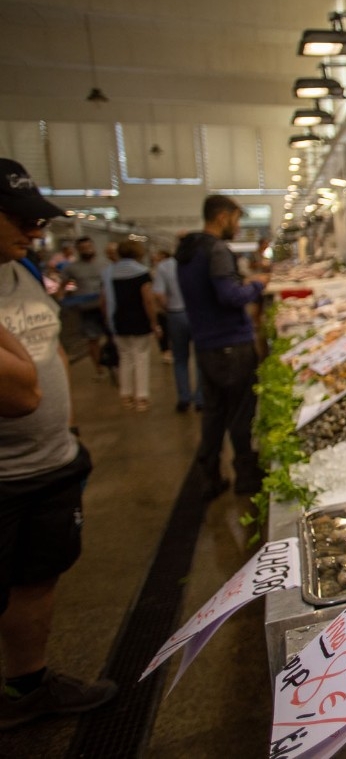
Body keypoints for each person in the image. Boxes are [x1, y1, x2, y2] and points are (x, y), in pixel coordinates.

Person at [0, 158, 117, 729]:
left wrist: (67, 428)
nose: (35, 229)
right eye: (20, 218)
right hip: (3, 473)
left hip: (50, 463)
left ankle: (29, 682)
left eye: (38, 218)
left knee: (38, 576)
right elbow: (20, 393)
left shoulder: (23, 269)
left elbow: (44, 356)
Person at [176, 195, 269, 500]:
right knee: (242, 412)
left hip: (205, 346)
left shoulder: (188, 251)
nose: (238, 226)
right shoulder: (216, 249)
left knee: (214, 413)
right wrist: (256, 285)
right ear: (222, 217)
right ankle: (246, 477)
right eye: (236, 219)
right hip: (231, 344)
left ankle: (209, 475)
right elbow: (229, 296)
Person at [104, 239, 160, 412]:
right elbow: (148, 300)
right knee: (141, 357)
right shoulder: (142, 273)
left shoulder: (108, 273)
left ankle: (126, 395)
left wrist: (107, 321)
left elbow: (104, 300)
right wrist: (154, 322)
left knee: (125, 358)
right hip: (139, 321)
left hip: (117, 321)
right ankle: (141, 397)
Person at [152, 241, 203, 413]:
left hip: (175, 314)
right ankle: (200, 398)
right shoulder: (200, 264)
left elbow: (158, 294)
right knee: (200, 357)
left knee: (180, 358)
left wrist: (169, 308)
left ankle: (183, 398)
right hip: (198, 313)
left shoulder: (164, 267)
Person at [55, 237, 109, 379]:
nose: (87, 250)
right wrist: (60, 300)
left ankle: (113, 363)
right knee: (93, 338)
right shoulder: (72, 268)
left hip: (106, 307)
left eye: (89, 247)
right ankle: (99, 369)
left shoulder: (105, 264)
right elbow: (62, 285)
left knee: (113, 337)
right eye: (83, 248)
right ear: (78, 250)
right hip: (86, 308)